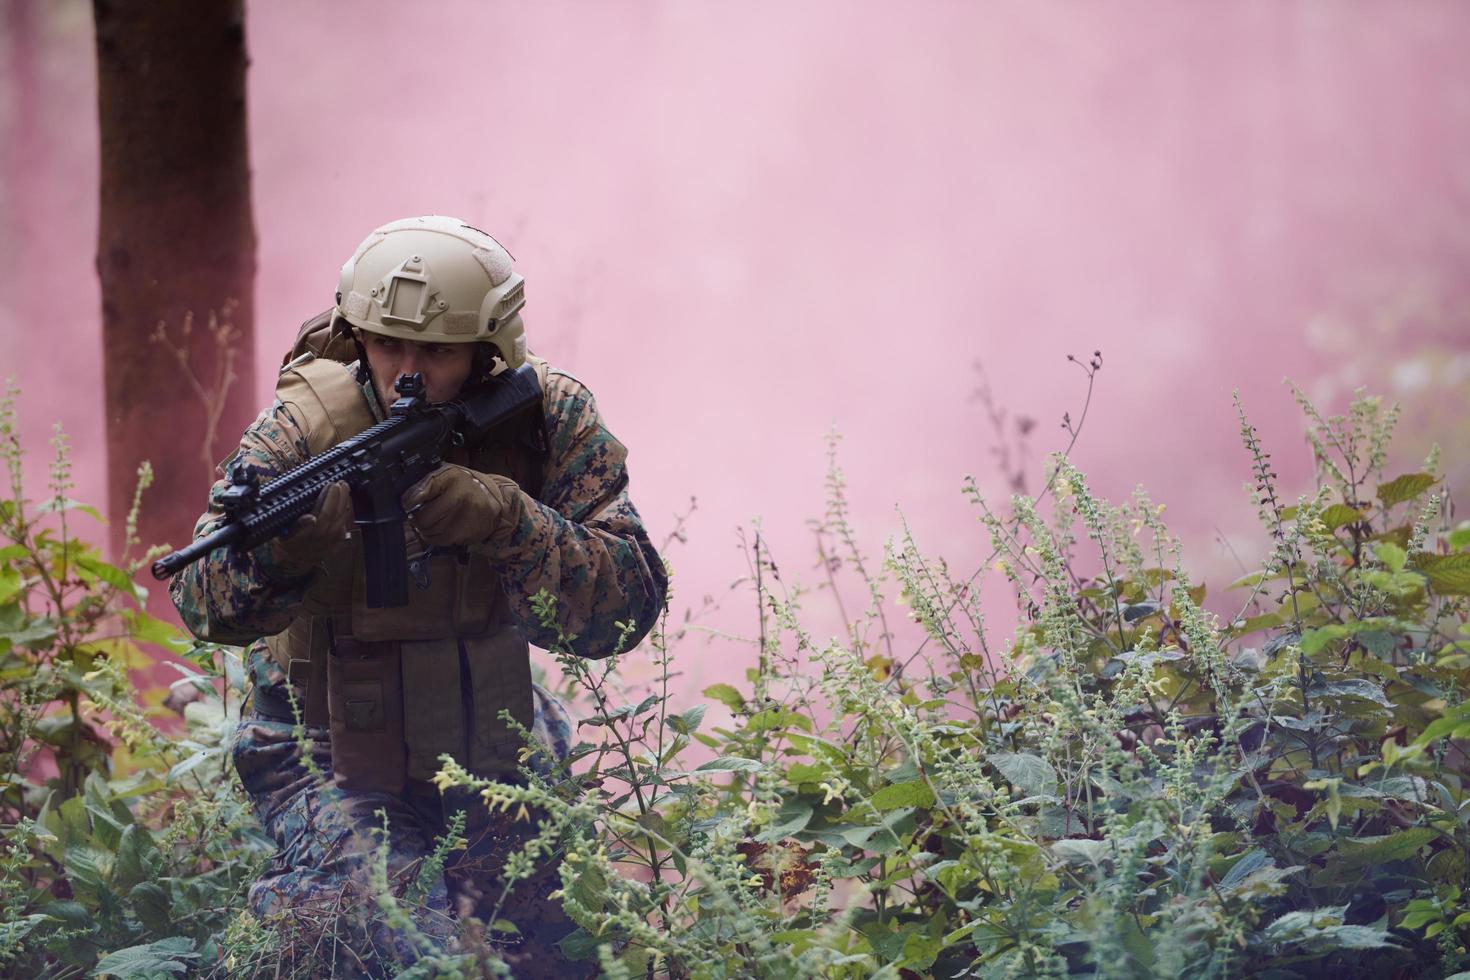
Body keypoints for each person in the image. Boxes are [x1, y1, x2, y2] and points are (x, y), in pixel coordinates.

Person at [169, 215, 667, 976]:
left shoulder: (543, 419)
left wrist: (511, 520)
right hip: (324, 747)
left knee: (564, 947)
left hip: (490, 740)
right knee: (381, 929)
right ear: (354, 333)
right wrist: (283, 551)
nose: (409, 369)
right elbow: (203, 602)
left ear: (488, 349)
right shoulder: (302, 432)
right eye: (387, 344)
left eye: (438, 352)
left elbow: (626, 605)